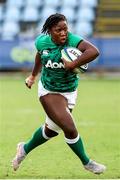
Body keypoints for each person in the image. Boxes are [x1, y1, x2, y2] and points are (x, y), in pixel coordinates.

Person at [12, 13, 106, 174]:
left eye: (65, 29)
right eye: (58, 30)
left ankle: (24, 149)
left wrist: (73, 64)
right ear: (49, 31)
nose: (63, 33)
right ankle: (87, 162)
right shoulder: (41, 42)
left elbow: (94, 51)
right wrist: (33, 76)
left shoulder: (73, 40)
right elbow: (39, 57)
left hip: (70, 90)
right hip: (48, 90)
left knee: (51, 130)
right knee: (69, 127)